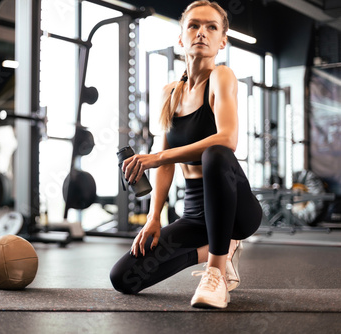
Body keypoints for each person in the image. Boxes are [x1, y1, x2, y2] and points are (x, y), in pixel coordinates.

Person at [109, 0, 263, 309]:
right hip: (195, 214)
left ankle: (216, 272)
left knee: (215, 152)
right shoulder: (171, 93)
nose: (202, 33)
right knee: (124, 277)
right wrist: (154, 218)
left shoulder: (221, 77)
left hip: (236, 211)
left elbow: (228, 139)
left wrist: (157, 157)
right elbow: (166, 163)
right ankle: (220, 249)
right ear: (181, 38)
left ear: (223, 41)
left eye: (211, 27)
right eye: (193, 25)